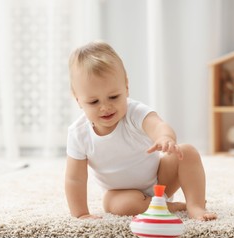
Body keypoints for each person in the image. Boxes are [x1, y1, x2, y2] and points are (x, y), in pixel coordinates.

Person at [65, 41, 217, 221]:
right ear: (78, 100)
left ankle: (195, 205)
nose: (105, 107)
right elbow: (75, 179)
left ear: (126, 88)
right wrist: (81, 213)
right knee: (120, 205)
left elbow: (157, 125)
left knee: (187, 152)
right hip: (121, 193)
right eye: (93, 102)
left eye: (114, 97)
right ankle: (172, 207)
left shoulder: (134, 113)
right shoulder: (78, 134)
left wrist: (165, 138)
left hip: (160, 180)